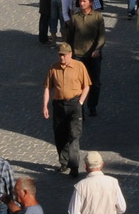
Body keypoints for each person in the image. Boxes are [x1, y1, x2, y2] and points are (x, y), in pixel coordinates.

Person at [39, 43, 90, 177]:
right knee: (60, 135)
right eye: (60, 55)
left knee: (73, 136)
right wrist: (45, 106)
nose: (62, 57)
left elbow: (86, 86)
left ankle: (74, 166)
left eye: (64, 55)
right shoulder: (54, 68)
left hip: (74, 104)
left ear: (70, 54)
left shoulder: (79, 67)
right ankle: (64, 162)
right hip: (59, 105)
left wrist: (80, 102)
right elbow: (47, 88)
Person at [64, 0, 106, 118]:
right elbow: (69, 37)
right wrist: (68, 53)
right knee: (78, 84)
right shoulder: (75, 18)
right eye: (80, 1)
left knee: (95, 83)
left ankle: (92, 106)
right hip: (78, 55)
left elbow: (102, 36)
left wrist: (98, 49)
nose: (81, 3)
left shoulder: (97, 17)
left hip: (94, 55)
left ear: (90, 2)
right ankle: (79, 109)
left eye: (83, 1)